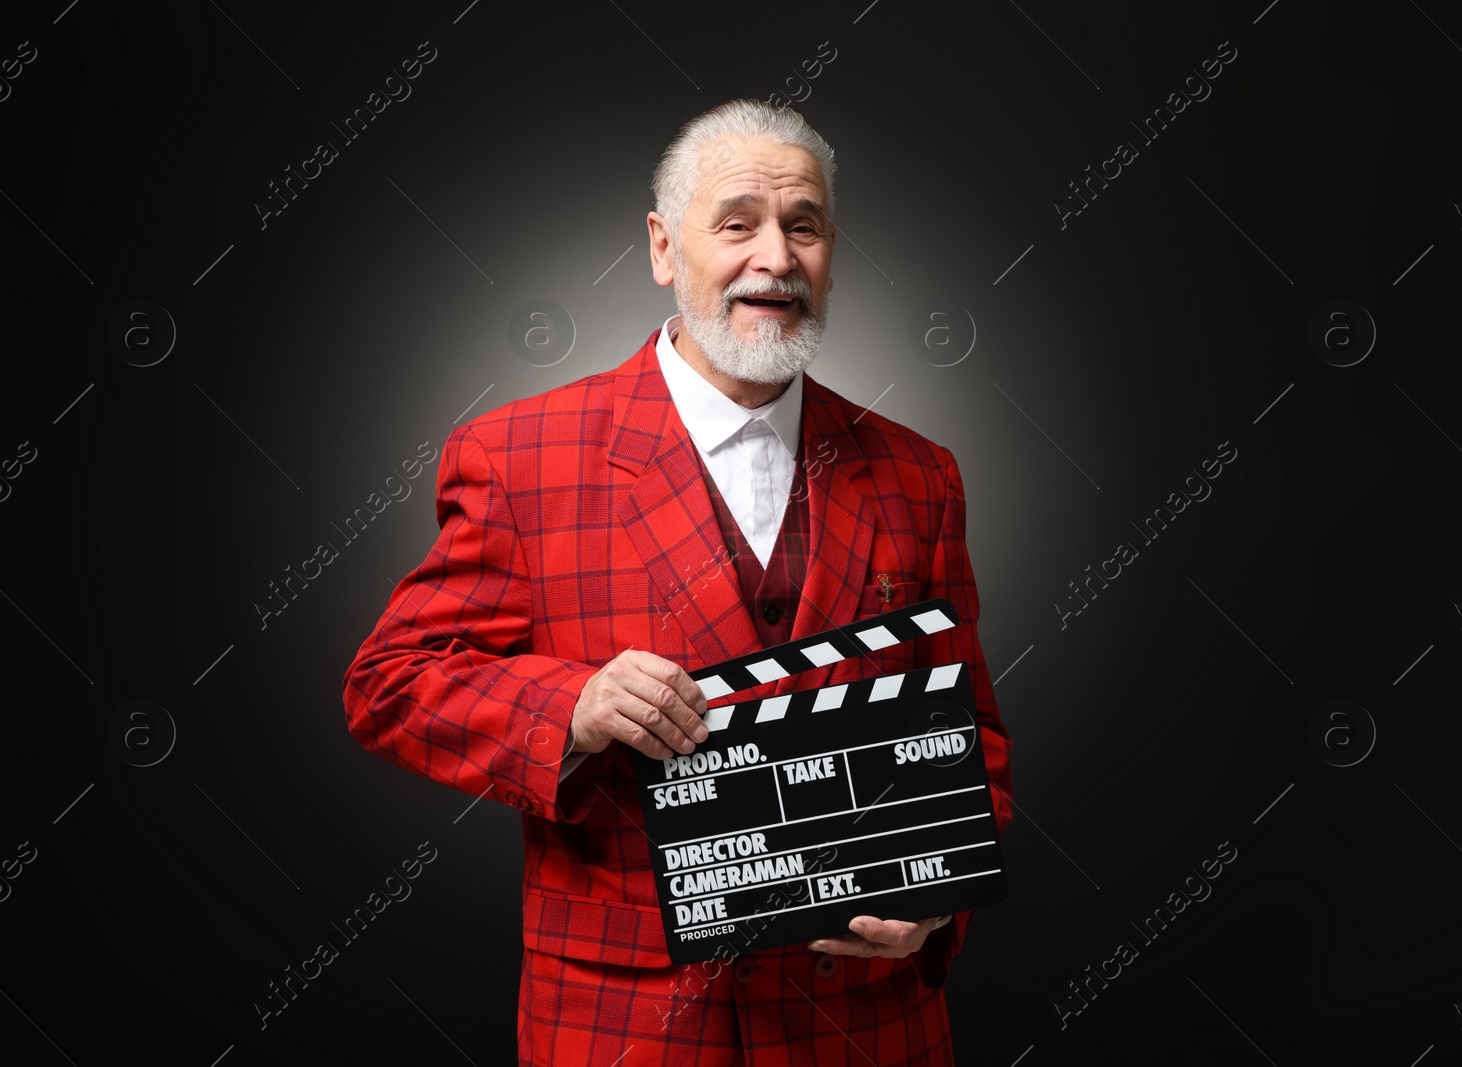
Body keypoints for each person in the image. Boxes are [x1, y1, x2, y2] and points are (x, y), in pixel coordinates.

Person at [343, 98, 1012, 1066]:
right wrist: (571, 702)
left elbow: (974, 730)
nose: (775, 257)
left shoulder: (918, 473)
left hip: (865, 1025)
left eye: (804, 226)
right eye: (736, 222)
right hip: (627, 1026)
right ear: (663, 247)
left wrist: (936, 886)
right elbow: (391, 680)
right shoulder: (516, 455)